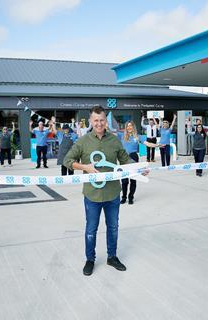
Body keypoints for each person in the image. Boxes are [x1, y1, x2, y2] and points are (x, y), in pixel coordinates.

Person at [64, 106, 140, 276]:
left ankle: (112, 257)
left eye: (102, 120)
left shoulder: (114, 140)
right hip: (92, 194)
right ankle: (90, 259)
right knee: (91, 229)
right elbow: (67, 160)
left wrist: (138, 168)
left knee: (113, 227)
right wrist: (85, 167)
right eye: (96, 120)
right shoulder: (83, 141)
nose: (99, 123)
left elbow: (125, 158)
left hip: (112, 193)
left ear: (106, 121)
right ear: (91, 121)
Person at [117, 121, 140, 204]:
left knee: (133, 179)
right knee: (124, 180)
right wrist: (106, 125)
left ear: (133, 127)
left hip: (134, 157)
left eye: (131, 126)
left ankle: (131, 197)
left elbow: (146, 143)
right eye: (128, 126)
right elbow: (111, 132)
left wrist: (156, 145)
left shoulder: (137, 136)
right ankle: (124, 197)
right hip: (124, 158)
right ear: (126, 127)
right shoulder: (121, 135)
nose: (129, 127)